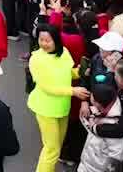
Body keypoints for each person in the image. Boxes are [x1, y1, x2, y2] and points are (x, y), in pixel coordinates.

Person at [29, 23, 78, 172]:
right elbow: (47, 87)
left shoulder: (64, 53)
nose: (43, 44)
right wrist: (73, 91)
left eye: (47, 40)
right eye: (41, 39)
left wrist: (80, 72)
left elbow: (67, 73)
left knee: (57, 145)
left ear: (56, 40)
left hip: (62, 107)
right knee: (52, 149)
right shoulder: (36, 60)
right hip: (45, 109)